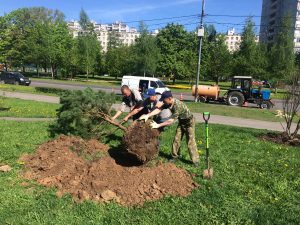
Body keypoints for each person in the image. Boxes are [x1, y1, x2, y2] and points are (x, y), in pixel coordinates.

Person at [139, 91, 199, 166]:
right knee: (176, 139)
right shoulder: (168, 103)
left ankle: (195, 161)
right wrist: (148, 115)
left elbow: (170, 121)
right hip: (182, 122)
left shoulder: (177, 105)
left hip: (189, 123)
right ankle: (174, 156)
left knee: (190, 141)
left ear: (170, 98)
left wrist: (158, 125)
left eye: (164, 99)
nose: (163, 101)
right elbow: (159, 109)